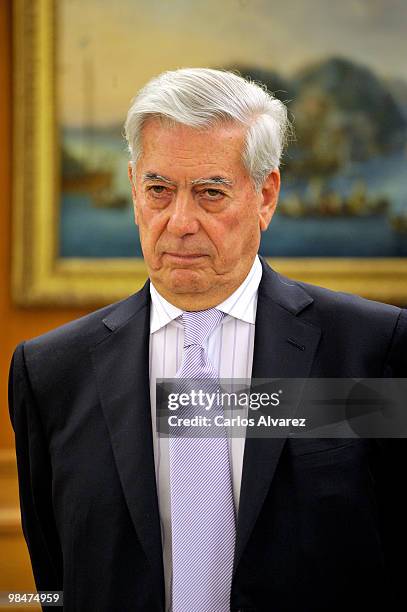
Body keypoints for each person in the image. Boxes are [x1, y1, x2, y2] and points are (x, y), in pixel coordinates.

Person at [8, 68, 407, 612]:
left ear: (265, 196)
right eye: (159, 191)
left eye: (210, 193)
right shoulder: (52, 371)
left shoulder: (370, 348)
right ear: (133, 189)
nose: (180, 222)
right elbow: (56, 579)